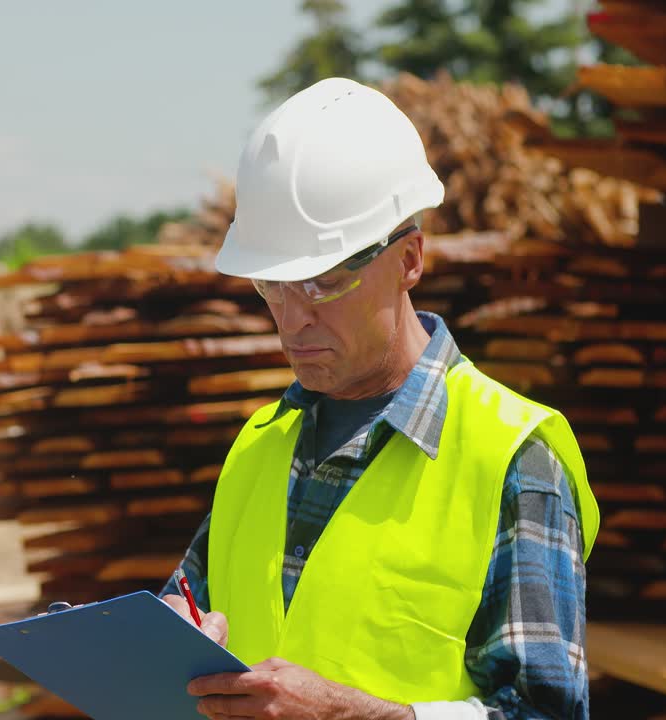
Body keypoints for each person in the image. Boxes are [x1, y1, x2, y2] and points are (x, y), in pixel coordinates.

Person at [159, 77, 599, 720]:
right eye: (271, 287)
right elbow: (190, 608)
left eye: (323, 284)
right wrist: (171, 631)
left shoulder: (515, 459)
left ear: (410, 260)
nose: (291, 321)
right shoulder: (260, 444)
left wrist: (350, 715)